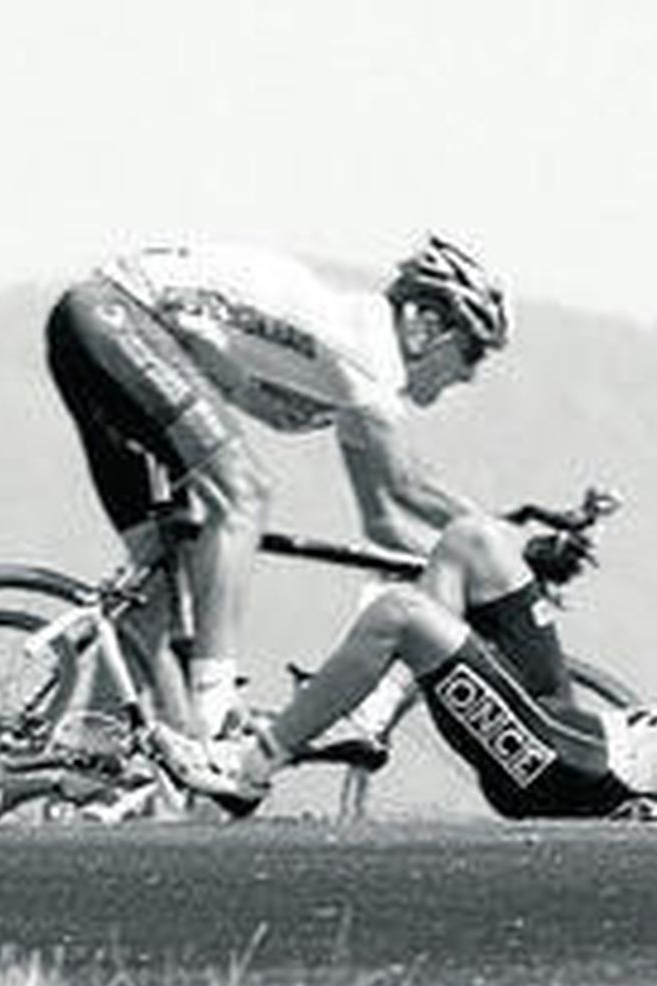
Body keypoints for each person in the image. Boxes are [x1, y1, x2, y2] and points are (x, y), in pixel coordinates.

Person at [150, 510, 657, 822]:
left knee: (400, 613)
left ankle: (250, 769)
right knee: (474, 539)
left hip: (572, 773)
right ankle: (368, 714)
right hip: (573, 726)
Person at [45, 236, 507, 739]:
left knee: (157, 573)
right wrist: (506, 552)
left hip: (95, 325)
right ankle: (215, 701)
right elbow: (407, 486)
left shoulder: (356, 377)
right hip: (117, 317)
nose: (471, 375)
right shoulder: (368, 351)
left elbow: (385, 520)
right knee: (245, 494)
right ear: (425, 326)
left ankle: (91, 751)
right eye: (471, 351)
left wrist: (459, 573)